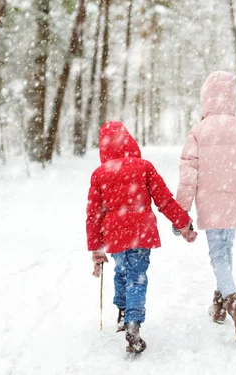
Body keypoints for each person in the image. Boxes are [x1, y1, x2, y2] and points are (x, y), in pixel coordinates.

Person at [87, 121, 197, 354]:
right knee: (137, 276)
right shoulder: (144, 167)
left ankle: (123, 310)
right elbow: (164, 200)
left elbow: (93, 215)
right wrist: (184, 224)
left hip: (115, 237)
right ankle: (133, 324)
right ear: (129, 141)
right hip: (141, 233)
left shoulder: (99, 174)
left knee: (121, 271)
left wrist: (96, 249)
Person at [174, 71, 236, 342]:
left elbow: (188, 176)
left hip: (211, 203)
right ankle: (218, 306)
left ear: (206, 100)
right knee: (226, 250)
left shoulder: (198, 131)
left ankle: (235, 305)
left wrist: (181, 211)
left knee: (218, 255)